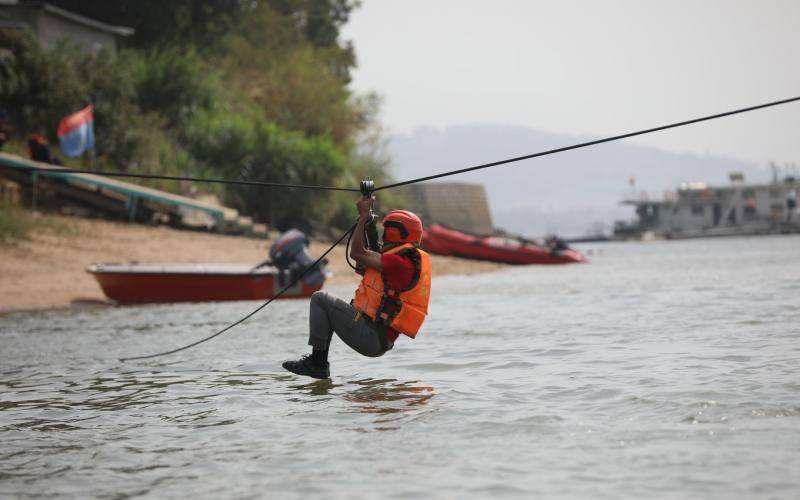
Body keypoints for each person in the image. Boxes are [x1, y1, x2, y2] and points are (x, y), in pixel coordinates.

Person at [282, 197, 432, 379]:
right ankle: (318, 364)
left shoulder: (399, 263)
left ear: (394, 233)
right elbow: (369, 256)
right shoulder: (404, 261)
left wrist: (362, 217)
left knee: (320, 299)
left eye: (385, 231)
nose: (383, 235)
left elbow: (357, 253)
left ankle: (317, 364)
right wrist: (368, 224)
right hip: (376, 336)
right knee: (329, 306)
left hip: (371, 337)